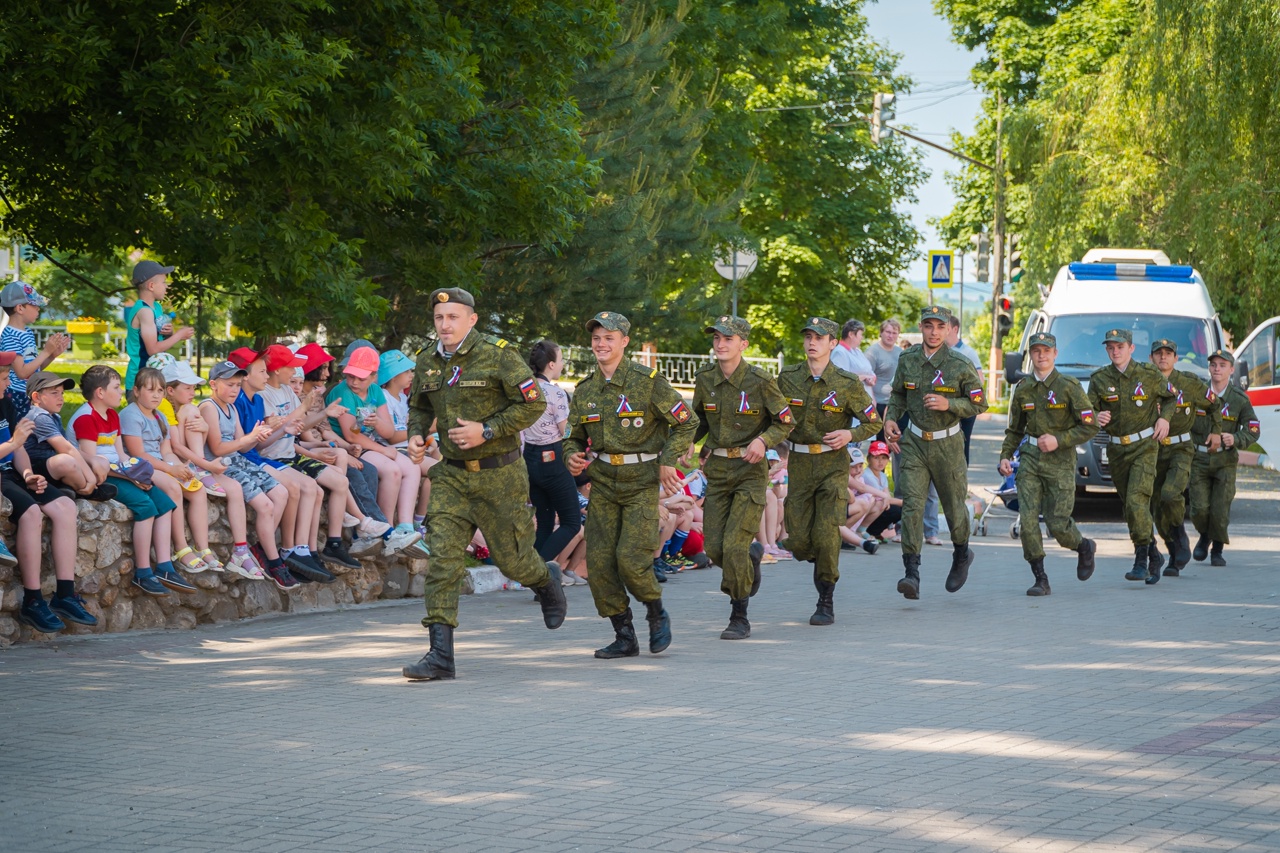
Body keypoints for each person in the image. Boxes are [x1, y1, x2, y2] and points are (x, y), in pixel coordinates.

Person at [402, 287, 567, 681]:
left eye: (453, 317)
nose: (445, 325)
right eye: (439, 318)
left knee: (512, 561)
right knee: (442, 560)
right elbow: (419, 407)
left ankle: (545, 580)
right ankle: (440, 655)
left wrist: (487, 430)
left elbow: (533, 403)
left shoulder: (499, 355)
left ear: (471, 319)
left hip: (500, 475)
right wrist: (416, 434)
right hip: (452, 477)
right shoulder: (427, 362)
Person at [564, 311, 697, 658]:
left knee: (630, 558)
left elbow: (687, 423)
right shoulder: (585, 389)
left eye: (609, 337)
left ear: (624, 342)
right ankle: (624, 635)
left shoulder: (648, 381)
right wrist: (572, 455)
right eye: (596, 338)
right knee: (601, 561)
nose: (601, 344)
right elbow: (573, 437)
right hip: (604, 481)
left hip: (642, 480)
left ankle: (655, 612)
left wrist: (668, 459)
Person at [688, 315, 793, 640]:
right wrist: (689, 439)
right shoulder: (705, 378)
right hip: (718, 471)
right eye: (716, 338)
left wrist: (763, 441)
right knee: (717, 549)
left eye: (728, 339)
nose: (720, 344)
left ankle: (739, 615)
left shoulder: (760, 380)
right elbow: (699, 420)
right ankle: (750, 562)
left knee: (733, 545)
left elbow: (785, 421)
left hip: (749, 473)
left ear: (743, 344)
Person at [775, 317, 878, 625]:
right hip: (800, 463)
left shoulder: (847, 383)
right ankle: (811, 557)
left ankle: (825, 598)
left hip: (833, 465)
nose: (812, 342)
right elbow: (771, 416)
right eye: (808, 336)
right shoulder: (788, 378)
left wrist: (850, 434)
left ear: (833, 343)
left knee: (826, 533)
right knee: (799, 539)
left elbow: (872, 421)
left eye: (819, 337)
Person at [883, 305, 986, 600]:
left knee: (954, 508)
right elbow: (899, 394)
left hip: (948, 445)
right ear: (921, 327)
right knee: (913, 505)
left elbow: (980, 403)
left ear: (948, 329)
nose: (934, 332)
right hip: (914, 443)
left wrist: (949, 405)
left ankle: (962, 553)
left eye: (940, 327)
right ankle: (911, 573)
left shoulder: (959, 363)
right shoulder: (908, 359)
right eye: (928, 326)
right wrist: (890, 417)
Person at [71, 365, 193, 595]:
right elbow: (92, 464)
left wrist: (137, 475)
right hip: (101, 478)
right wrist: (132, 478)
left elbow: (122, 456)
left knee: (165, 503)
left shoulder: (113, 416)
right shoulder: (86, 419)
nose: (121, 392)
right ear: (100, 392)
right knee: (145, 506)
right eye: (116, 388)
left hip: (118, 472)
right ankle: (143, 572)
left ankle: (165, 567)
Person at [0, 355, 97, 634]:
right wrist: (14, 443)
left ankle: (65, 593)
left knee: (66, 506)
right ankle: (32, 599)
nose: (9, 384)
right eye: (5, 377)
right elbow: (14, 443)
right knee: (31, 513)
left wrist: (29, 475)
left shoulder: (5, 402)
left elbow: (18, 449)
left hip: (14, 472)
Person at [998, 332, 1098, 596]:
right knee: (1028, 520)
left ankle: (1083, 546)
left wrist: (1059, 439)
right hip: (1030, 460)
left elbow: (1090, 425)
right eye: (1036, 351)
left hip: (1060, 461)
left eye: (1046, 351)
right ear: (1030, 355)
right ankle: (1040, 578)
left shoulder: (1069, 386)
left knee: (1057, 523)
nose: (1041, 356)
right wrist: (1005, 456)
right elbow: (1014, 429)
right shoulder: (1024, 389)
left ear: (1055, 354)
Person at [230, 346, 334, 582]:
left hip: (256, 457)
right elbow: (250, 446)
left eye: (267, 371)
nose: (266, 377)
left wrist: (283, 428)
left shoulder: (256, 399)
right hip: (252, 460)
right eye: (262, 372)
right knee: (296, 489)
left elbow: (261, 441)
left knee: (308, 488)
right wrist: (297, 414)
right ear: (247, 375)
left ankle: (300, 550)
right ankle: (279, 552)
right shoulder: (244, 401)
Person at [258, 345, 363, 572]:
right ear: (277, 370)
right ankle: (299, 550)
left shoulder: (286, 391)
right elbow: (271, 433)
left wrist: (324, 413)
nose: (297, 371)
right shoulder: (263, 394)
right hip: (273, 457)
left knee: (339, 481)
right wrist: (304, 409)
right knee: (311, 489)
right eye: (291, 367)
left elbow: (299, 426)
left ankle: (323, 546)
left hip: (290, 454)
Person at [1087, 328, 1175, 584]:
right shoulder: (1100, 379)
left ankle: (1140, 560)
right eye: (1111, 347)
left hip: (1145, 447)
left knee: (1137, 501)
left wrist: (1164, 419)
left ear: (1131, 348)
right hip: (1116, 450)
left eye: (1120, 347)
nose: (1115, 352)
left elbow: (1170, 398)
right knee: (1131, 508)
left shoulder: (1149, 375)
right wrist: (1095, 416)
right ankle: (1154, 554)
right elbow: (1086, 410)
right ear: (1106, 350)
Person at [200, 360, 297, 590]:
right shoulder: (208, 407)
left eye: (237, 385)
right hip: (221, 464)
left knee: (281, 493)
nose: (235, 390)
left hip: (238, 459)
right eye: (229, 385)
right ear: (213, 384)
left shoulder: (231, 407)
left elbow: (243, 447)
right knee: (265, 505)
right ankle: (274, 562)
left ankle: (261, 550)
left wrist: (258, 434)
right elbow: (217, 448)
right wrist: (247, 439)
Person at [120, 367, 221, 574]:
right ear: (137, 391)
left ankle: (203, 548)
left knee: (197, 490)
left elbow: (165, 450)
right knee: (174, 488)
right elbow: (139, 454)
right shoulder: (131, 415)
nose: (156, 395)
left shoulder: (160, 417)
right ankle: (181, 548)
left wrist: (179, 467)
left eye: (159, 391)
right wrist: (170, 470)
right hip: (141, 465)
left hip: (161, 463)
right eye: (150, 390)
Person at [327, 345, 423, 554]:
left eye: (360, 378)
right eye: (351, 376)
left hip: (369, 443)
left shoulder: (376, 390)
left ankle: (402, 527)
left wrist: (377, 422)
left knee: (410, 467)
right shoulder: (343, 392)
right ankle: (385, 530)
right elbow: (351, 434)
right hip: (351, 446)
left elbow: (388, 431)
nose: (354, 382)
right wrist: (382, 450)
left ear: (373, 376)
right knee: (392, 470)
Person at [1148, 338, 1216, 576]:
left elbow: (1215, 405)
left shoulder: (1189, 382)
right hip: (1152, 450)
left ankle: (1179, 534)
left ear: (1176, 358)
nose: (1163, 357)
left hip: (1180, 448)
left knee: (1170, 494)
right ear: (1151, 358)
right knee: (1156, 507)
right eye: (1158, 353)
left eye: (1168, 353)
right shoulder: (1143, 383)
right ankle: (1174, 552)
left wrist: (1216, 432)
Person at [1189, 349, 1260, 567]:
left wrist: (1235, 438)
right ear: (1209, 368)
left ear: (1231, 370)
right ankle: (1204, 535)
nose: (1217, 369)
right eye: (1213, 365)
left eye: (1222, 365)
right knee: (1199, 508)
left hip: (1225, 461)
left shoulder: (1239, 399)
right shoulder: (1198, 394)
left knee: (1220, 508)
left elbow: (1253, 429)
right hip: (1198, 458)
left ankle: (1217, 548)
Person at [521, 340, 582, 567]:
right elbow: (565, 432)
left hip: (529, 459)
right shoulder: (555, 393)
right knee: (572, 523)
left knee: (545, 523)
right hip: (553, 459)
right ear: (550, 364)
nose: (563, 364)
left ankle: (538, 580)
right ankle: (536, 568)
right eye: (561, 359)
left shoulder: (524, 390)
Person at [21, 371, 116, 502]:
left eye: (62, 393)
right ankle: (89, 491)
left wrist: (93, 460)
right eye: (54, 393)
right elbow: (66, 449)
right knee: (66, 461)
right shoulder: (39, 417)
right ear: (36, 397)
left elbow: (70, 447)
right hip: (36, 469)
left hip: (50, 466)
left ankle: (67, 488)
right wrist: (91, 479)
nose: (61, 398)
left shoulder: (53, 416)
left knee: (101, 460)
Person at [380, 349, 437, 534]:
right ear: (393, 376)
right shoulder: (383, 398)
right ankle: (418, 522)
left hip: (407, 448)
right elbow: (392, 436)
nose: (411, 375)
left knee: (442, 467)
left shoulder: (403, 398)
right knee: (440, 471)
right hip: (397, 450)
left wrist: (426, 438)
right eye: (407, 372)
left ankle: (420, 520)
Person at [123, 260, 194, 398]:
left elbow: (158, 338)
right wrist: (179, 335)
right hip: (140, 382)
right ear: (151, 286)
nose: (167, 287)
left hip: (154, 379)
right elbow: (153, 349)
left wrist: (169, 333)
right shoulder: (145, 311)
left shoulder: (156, 308)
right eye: (163, 283)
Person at [0, 281, 70, 421]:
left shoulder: (28, 332)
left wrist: (51, 356)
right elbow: (22, 373)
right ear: (20, 308)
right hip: (16, 395)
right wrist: (45, 352)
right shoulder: (10, 336)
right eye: (35, 306)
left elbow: (34, 368)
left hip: (28, 392)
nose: (39, 309)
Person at [946, 314, 984, 463]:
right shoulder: (939, 351)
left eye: (945, 327)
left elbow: (979, 380)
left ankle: (961, 482)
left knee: (962, 444)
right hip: (945, 407)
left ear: (955, 329)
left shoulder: (968, 352)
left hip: (964, 407)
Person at [866, 318, 903, 437]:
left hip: (896, 404)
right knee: (880, 444)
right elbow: (865, 379)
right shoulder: (872, 352)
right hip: (878, 405)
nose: (891, 336)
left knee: (896, 439)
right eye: (888, 332)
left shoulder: (900, 352)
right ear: (881, 332)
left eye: (894, 333)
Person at [861, 440, 902, 542]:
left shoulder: (882, 475)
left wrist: (890, 500)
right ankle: (864, 530)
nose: (880, 462)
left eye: (884, 458)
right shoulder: (867, 475)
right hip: (865, 510)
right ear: (868, 459)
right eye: (876, 458)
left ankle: (875, 532)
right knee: (891, 507)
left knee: (893, 509)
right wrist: (903, 502)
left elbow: (886, 494)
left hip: (875, 508)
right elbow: (882, 497)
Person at [830, 319, 876, 402]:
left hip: (865, 404)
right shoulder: (839, 352)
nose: (862, 338)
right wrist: (864, 377)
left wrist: (871, 379)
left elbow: (870, 372)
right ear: (851, 334)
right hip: (852, 404)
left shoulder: (858, 351)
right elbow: (840, 380)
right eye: (860, 334)